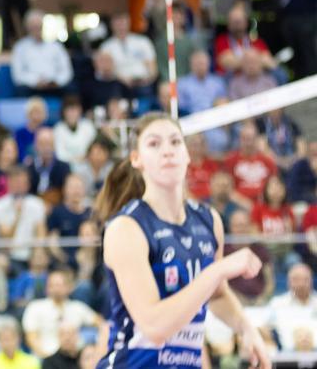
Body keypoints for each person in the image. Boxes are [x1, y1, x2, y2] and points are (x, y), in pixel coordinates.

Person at [92, 112, 270, 369]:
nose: (167, 151)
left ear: (187, 155)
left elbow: (217, 295)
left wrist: (245, 327)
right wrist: (218, 270)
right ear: (136, 159)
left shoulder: (209, 220)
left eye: (175, 142)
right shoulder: (126, 228)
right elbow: (155, 326)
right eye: (154, 144)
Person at [22, 270, 99, 359]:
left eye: (59, 285)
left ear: (69, 287)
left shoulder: (77, 307)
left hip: (74, 358)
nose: (56, 289)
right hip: (45, 357)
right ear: (46, 288)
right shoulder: (35, 307)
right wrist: (48, 359)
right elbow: (31, 338)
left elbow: (101, 324)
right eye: (52, 285)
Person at [11, 10, 73, 95]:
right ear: (27, 27)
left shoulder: (56, 46)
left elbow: (66, 71)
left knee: (72, 89)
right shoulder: (20, 47)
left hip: (54, 86)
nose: (36, 29)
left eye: (39, 26)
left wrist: (56, 81)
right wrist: (36, 81)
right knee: (21, 90)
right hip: (31, 87)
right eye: (33, 26)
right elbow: (18, 75)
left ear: (43, 26)